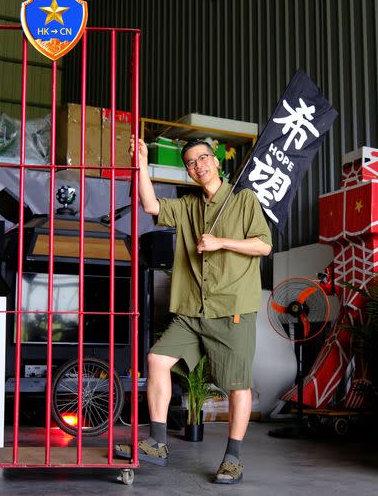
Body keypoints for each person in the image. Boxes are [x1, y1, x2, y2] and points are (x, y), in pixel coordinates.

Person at [114, 136, 272, 485]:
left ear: (216, 161)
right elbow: (152, 205)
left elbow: (263, 245)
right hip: (192, 310)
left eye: (203, 158)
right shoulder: (187, 205)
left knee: (237, 385)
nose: (197, 165)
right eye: (190, 163)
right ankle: (157, 442)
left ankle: (233, 458)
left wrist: (220, 242)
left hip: (230, 309)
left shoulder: (243, 199)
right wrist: (140, 162)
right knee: (157, 360)